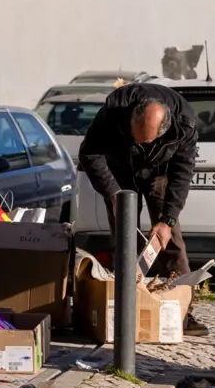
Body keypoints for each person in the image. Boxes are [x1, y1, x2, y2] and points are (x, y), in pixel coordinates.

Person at [78, 82, 208, 336]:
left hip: (160, 172)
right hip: (120, 172)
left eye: (148, 140)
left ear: (164, 128)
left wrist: (168, 219)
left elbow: (182, 172)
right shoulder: (113, 111)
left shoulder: (184, 123)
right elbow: (90, 154)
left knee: (169, 239)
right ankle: (124, 306)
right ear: (132, 119)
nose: (143, 144)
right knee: (124, 236)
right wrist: (113, 194)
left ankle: (181, 311)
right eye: (137, 137)